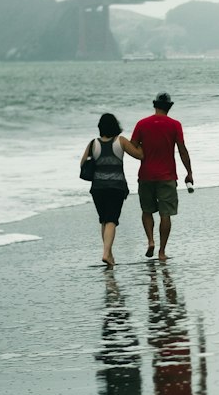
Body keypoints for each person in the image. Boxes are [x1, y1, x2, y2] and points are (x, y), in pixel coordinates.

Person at [130, 92, 194, 261]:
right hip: (167, 176)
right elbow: (182, 150)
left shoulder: (142, 124)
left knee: (146, 211)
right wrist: (189, 172)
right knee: (165, 214)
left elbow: (132, 148)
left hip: (146, 175)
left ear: (154, 105)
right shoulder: (175, 125)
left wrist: (144, 152)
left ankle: (150, 241)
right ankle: (161, 252)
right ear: (169, 107)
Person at [81, 113, 141, 267]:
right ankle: (106, 253)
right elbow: (139, 155)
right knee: (112, 220)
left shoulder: (93, 143)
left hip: (98, 188)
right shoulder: (120, 141)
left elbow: (82, 164)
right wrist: (142, 142)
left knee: (104, 220)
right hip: (116, 187)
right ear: (115, 126)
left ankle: (110, 254)